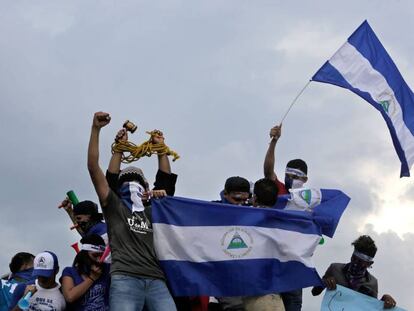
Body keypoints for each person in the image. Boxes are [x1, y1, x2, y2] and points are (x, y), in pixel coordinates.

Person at [87, 111, 177, 311]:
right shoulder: (114, 207)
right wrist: (98, 131)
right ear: (119, 188)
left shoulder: (155, 210)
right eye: (127, 181)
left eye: (138, 181)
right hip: (124, 278)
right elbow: (94, 169)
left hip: (156, 279)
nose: (132, 184)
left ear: (146, 188)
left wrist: (160, 147)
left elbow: (165, 182)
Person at [263, 124, 307, 310]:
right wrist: (274, 142)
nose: (290, 178)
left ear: (305, 179)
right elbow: (268, 170)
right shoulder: (279, 190)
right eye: (287, 173)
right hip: (272, 260)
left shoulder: (309, 201)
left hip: (295, 266)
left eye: (295, 175)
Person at [311, 235, 397, 309]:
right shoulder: (334, 268)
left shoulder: (372, 283)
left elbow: (370, 308)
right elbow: (315, 292)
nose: (355, 263)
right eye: (353, 258)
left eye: (360, 262)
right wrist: (324, 282)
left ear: (369, 263)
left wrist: (384, 301)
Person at [242, 178, 285, 311]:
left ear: (254, 198)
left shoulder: (244, 221)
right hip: (276, 293)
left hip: (256, 295)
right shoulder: (285, 222)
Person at [61, 234, 110, 311]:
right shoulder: (69, 271)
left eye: (101, 256)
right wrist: (92, 278)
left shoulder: (107, 268)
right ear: (85, 254)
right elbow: (69, 297)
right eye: (95, 255)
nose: (99, 260)